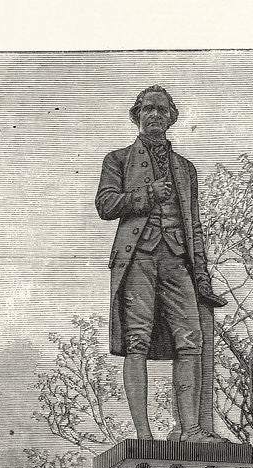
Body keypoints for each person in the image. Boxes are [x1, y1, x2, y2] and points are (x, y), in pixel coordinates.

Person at [95, 85, 227, 442]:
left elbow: (194, 225)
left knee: (191, 339)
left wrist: (201, 277)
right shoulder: (118, 160)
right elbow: (105, 205)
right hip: (137, 258)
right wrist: (146, 195)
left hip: (176, 260)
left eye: (161, 110)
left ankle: (191, 431)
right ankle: (143, 436)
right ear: (137, 116)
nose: (154, 115)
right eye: (147, 109)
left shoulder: (185, 169)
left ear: (171, 117)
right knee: (136, 341)